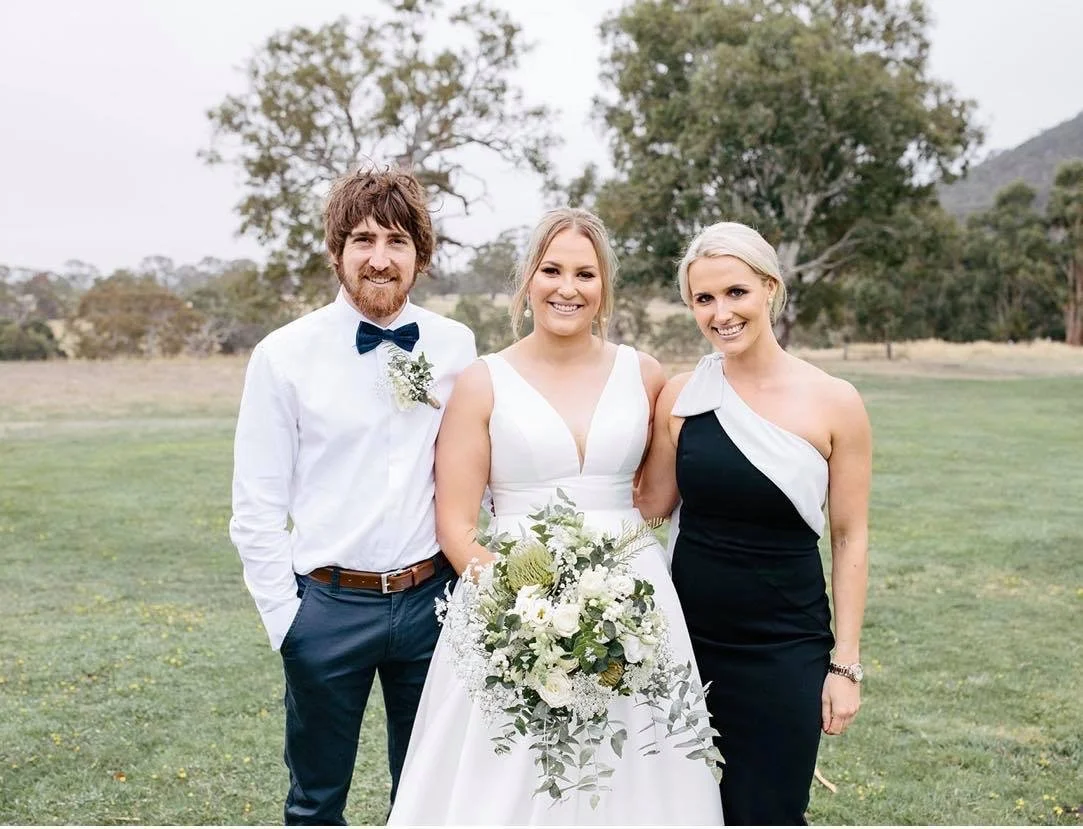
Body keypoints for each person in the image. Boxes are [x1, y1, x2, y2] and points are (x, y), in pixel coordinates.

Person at [387, 208, 724, 825]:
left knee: (636, 771)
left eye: (585, 274)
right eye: (551, 270)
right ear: (527, 282)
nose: (567, 288)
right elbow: (457, 525)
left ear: (604, 290)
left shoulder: (643, 374)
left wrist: (616, 588)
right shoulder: (483, 382)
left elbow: (652, 502)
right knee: (510, 775)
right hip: (509, 602)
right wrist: (519, 609)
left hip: (632, 601)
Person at [228, 166, 477, 825]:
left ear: (420, 257)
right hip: (327, 605)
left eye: (397, 241)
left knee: (431, 797)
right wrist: (289, 622)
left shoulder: (456, 348)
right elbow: (254, 505)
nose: (379, 257)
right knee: (314, 802)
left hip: (433, 604)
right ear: (335, 249)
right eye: (362, 238)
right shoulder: (283, 355)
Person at [635, 221, 871, 825]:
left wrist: (844, 665)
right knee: (678, 810)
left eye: (735, 292)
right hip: (684, 643)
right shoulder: (682, 397)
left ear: (770, 287)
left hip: (785, 645)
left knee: (768, 810)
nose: (721, 313)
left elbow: (849, 538)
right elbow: (649, 509)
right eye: (703, 299)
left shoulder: (834, 401)